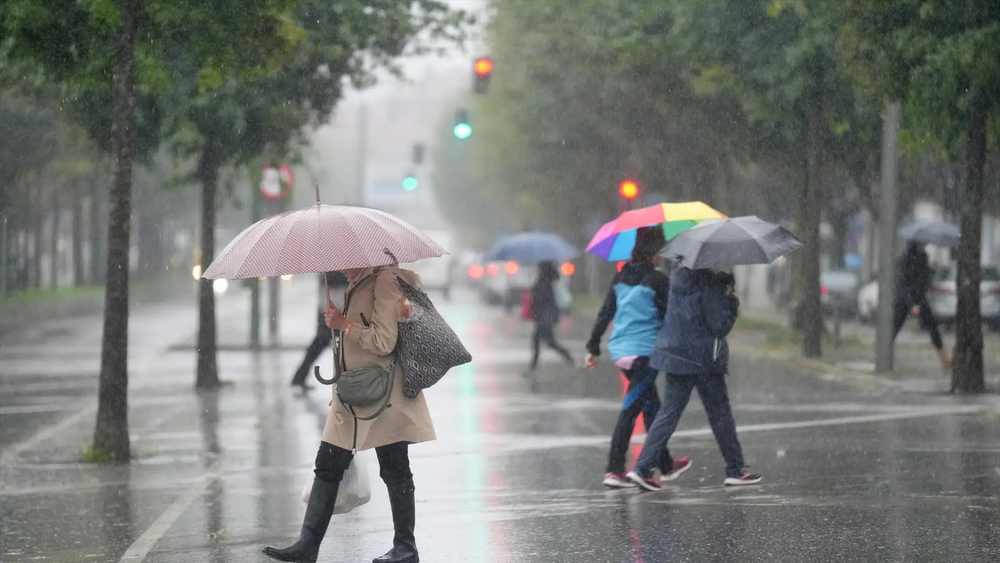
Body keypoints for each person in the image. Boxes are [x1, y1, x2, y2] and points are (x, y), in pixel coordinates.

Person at [264, 266, 434, 563]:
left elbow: (384, 341)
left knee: (394, 467)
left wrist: (345, 324)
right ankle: (307, 545)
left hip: (384, 393)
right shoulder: (355, 282)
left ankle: (406, 547)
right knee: (328, 463)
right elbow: (347, 350)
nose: (339, 265)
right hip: (354, 392)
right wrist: (339, 390)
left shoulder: (383, 281)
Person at [626, 267, 761, 490]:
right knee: (719, 413)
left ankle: (642, 468)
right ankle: (735, 469)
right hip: (703, 358)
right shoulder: (713, 281)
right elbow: (719, 325)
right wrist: (732, 303)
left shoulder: (679, 277)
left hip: (675, 352)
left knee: (669, 412)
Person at [584, 227, 692, 488]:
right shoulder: (658, 280)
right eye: (660, 251)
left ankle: (665, 464)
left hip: (620, 350)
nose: (662, 256)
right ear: (652, 253)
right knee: (631, 409)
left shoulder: (620, 277)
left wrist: (593, 347)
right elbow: (671, 317)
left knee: (651, 406)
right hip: (645, 353)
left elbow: (605, 312)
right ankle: (615, 469)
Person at [892, 241, 951, 370]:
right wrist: (911, 304)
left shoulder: (923, 258)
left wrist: (932, 271)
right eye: (920, 244)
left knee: (933, 326)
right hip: (904, 300)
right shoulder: (904, 260)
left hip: (920, 299)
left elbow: (922, 280)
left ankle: (944, 358)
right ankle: (885, 356)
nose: (923, 246)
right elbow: (902, 284)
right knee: (894, 328)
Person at [290, 271, 349, 391]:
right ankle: (299, 377)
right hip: (332, 312)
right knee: (321, 345)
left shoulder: (330, 270)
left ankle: (300, 377)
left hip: (330, 311)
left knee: (320, 346)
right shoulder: (334, 271)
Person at [525, 261, 574, 379]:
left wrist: (534, 295)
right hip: (546, 316)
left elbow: (543, 300)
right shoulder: (548, 280)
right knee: (540, 341)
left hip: (545, 317)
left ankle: (568, 357)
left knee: (548, 342)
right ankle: (533, 368)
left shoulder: (544, 281)